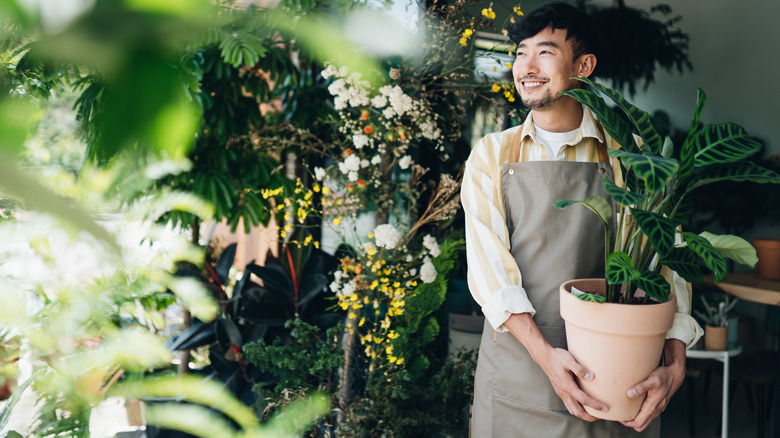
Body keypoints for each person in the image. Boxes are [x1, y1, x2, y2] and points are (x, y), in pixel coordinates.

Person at [460, 3, 703, 437]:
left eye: (545, 52)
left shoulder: (631, 158)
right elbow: (491, 277)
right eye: (520, 53)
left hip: (614, 381)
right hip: (518, 373)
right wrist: (548, 360)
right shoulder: (491, 156)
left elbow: (668, 261)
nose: (526, 67)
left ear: (584, 65)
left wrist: (675, 364)